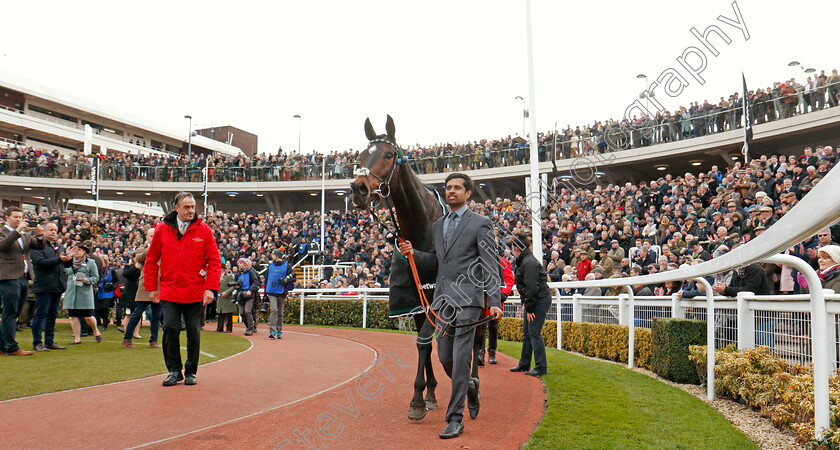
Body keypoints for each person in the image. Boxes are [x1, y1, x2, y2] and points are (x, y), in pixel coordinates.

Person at [398, 172, 502, 440]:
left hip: (469, 301)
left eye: (457, 187)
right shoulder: (438, 225)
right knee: (444, 357)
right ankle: (470, 385)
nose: (451, 191)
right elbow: (435, 261)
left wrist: (494, 302)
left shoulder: (481, 223)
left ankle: (455, 419)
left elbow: (490, 265)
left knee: (460, 357)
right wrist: (413, 253)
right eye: (448, 188)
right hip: (443, 302)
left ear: (468, 193)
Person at [144, 192, 221, 387]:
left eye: (193, 207)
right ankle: (173, 370)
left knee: (193, 332)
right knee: (170, 328)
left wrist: (210, 288)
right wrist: (151, 287)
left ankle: (191, 371)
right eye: (186, 207)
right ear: (176, 208)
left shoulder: (204, 230)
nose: (191, 210)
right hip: (169, 290)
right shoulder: (162, 229)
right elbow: (151, 259)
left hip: (195, 290)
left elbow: (214, 261)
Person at [0, 206, 44, 356]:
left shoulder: (24, 234)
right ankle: (11, 347)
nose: (19, 219)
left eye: (20, 217)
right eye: (15, 217)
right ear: (7, 218)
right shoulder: (3, 232)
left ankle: (2, 346)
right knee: (10, 313)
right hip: (8, 277)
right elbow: (2, 245)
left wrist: (39, 236)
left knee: (15, 313)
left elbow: (38, 245)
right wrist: (17, 231)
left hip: (24, 277)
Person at [30, 221, 72, 352]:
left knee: (52, 315)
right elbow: (40, 262)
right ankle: (37, 342)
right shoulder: (37, 246)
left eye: (55, 230)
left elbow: (62, 265)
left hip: (57, 285)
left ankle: (49, 341)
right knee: (40, 314)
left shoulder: (57, 246)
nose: (54, 232)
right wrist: (60, 259)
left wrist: (68, 260)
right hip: (44, 285)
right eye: (51, 230)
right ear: (43, 231)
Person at [123, 229, 161, 349]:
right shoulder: (142, 249)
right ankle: (127, 338)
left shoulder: (163, 249)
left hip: (159, 284)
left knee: (156, 316)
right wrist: (152, 248)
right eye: (151, 236)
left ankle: (153, 340)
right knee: (137, 313)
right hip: (145, 284)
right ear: (147, 237)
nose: (153, 237)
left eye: (155, 235)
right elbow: (138, 258)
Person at [63, 243, 102, 345]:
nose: (76, 252)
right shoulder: (69, 262)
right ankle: (77, 338)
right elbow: (64, 272)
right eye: (74, 249)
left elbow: (95, 278)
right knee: (74, 316)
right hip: (71, 292)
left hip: (84, 292)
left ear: (84, 251)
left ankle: (95, 330)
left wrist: (87, 280)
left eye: (79, 249)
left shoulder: (91, 263)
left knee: (87, 316)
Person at [265, 248, 295, 339]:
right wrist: (265, 293)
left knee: (280, 312)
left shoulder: (287, 266)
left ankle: (279, 331)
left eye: (273, 254)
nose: (271, 256)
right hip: (271, 291)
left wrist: (286, 280)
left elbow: (293, 277)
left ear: (277, 256)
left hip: (282, 292)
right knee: (274, 310)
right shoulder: (269, 266)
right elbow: (267, 279)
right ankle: (272, 330)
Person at [234, 257, 261, 336]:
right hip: (240, 295)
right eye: (238, 263)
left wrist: (250, 290)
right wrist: (236, 286)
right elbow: (236, 283)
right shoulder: (238, 273)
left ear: (244, 264)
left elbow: (256, 281)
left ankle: (250, 329)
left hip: (249, 295)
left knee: (247, 311)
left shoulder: (250, 272)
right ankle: (249, 325)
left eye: (241, 263)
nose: (239, 265)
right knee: (242, 313)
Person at [216, 261, 237, 333]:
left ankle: (229, 328)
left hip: (227, 297)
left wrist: (226, 292)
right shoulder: (217, 276)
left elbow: (233, 286)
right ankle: (220, 327)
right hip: (220, 297)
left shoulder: (229, 276)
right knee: (220, 313)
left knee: (228, 314)